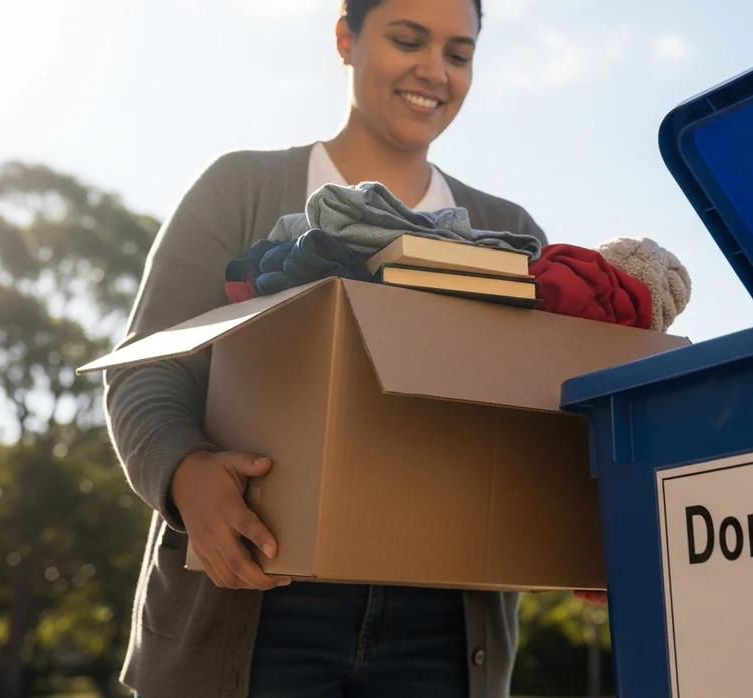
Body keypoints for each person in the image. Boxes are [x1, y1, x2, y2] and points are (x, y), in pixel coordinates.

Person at [104, 1, 604, 696]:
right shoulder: (240, 189)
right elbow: (148, 368)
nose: (434, 71)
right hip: (254, 589)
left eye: (458, 54)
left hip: (443, 625)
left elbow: (542, 409)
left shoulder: (507, 230)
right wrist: (187, 476)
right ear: (346, 38)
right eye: (408, 40)